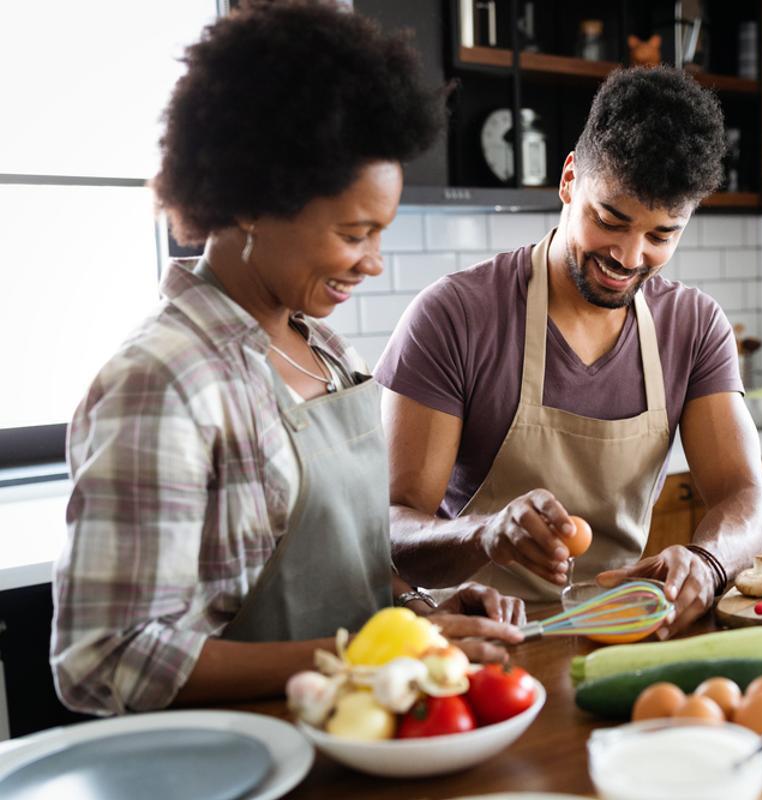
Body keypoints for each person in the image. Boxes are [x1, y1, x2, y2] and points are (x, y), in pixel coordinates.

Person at [52, 0, 523, 717]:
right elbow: (106, 657)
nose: (373, 263)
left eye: (381, 233)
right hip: (242, 761)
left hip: (357, 742)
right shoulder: (164, 382)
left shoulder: (328, 354)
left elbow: (347, 569)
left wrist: (418, 609)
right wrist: (379, 652)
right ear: (250, 201)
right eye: (355, 233)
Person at [378, 67, 762, 638]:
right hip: (481, 643)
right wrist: (485, 534)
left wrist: (709, 562)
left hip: (622, 635)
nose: (629, 257)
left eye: (662, 236)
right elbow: (389, 533)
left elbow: (746, 499)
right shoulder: (455, 315)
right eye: (610, 220)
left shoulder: (693, 325)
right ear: (569, 180)